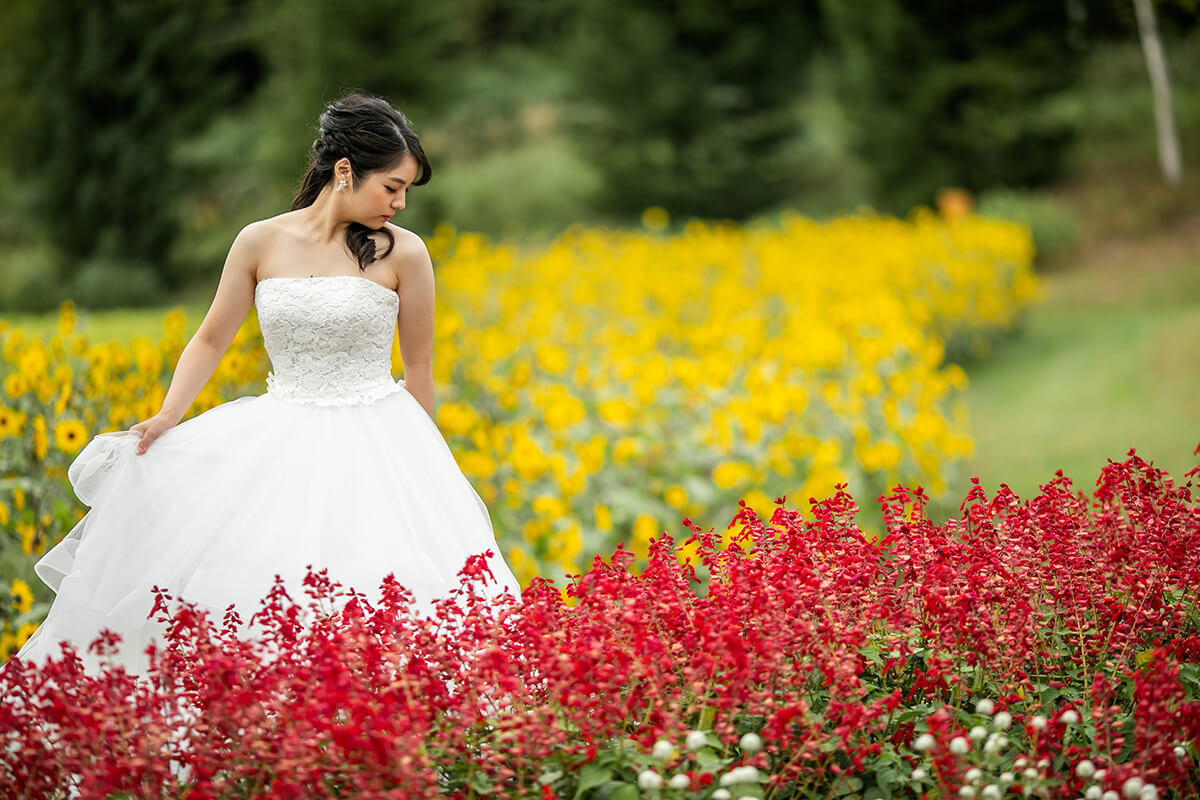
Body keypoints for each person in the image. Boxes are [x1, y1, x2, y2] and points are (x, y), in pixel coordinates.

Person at [12, 92, 522, 676]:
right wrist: (167, 415)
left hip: (378, 440)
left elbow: (421, 370)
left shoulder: (406, 254)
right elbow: (209, 339)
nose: (400, 204)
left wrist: (424, 468)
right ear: (345, 171)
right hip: (278, 434)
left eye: (407, 191)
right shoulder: (259, 241)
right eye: (392, 187)